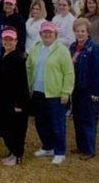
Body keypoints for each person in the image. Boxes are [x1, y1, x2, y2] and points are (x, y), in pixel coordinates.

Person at [27, 22, 75, 165]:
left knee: (57, 123)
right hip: (38, 92)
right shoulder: (36, 48)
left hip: (55, 94)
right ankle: (47, 146)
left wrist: (66, 92)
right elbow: (29, 68)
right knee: (40, 122)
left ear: (55, 35)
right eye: (44, 32)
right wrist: (29, 88)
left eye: (50, 33)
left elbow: (69, 73)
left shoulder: (62, 50)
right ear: (40, 34)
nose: (47, 35)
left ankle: (59, 151)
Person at [69, 19, 99, 160]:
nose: (80, 33)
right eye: (77, 31)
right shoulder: (73, 47)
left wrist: (96, 93)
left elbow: (98, 72)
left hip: (88, 90)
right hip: (76, 89)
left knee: (88, 119)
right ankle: (80, 146)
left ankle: (89, 149)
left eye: (83, 31)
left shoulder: (94, 48)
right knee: (77, 118)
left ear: (88, 32)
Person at [0, 28, 29, 166]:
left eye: (11, 39)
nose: (7, 42)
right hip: (4, 99)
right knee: (7, 128)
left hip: (15, 101)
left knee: (16, 129)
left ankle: (17, 155)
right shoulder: (3, 54)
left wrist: (19, 103)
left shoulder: (18, 58)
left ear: (16, 41)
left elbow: (22, 83)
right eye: (5, 39)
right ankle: (12, 152)